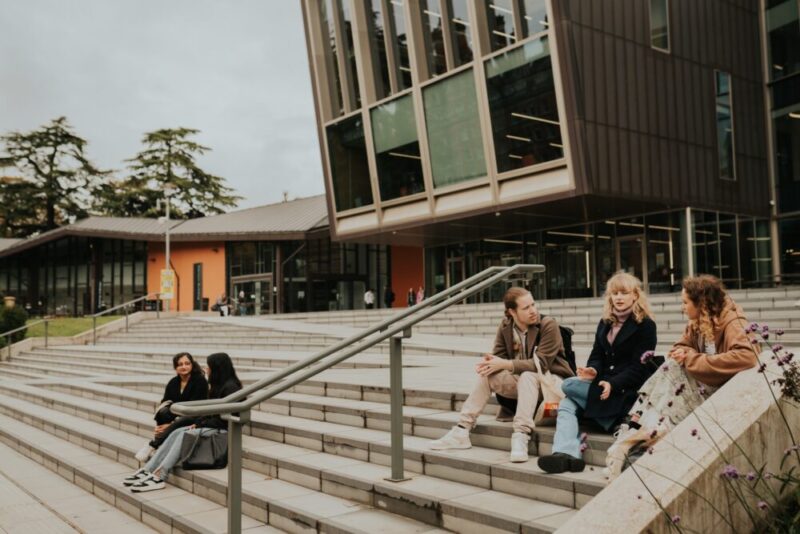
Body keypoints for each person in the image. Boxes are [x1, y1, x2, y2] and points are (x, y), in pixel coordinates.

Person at [603, 274, 758, 479]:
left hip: (722, 390)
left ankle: (635, 432)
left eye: (685, 302)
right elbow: (681, 345)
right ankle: (639, 432)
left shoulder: (732, 321)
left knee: (673, 370)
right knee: (671, 368)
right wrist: (682, 352)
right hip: (702, 384)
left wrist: (691, 359)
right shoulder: (696, 321)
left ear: (701, 302)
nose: (682, 307)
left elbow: (747, 356)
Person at [429, 287, 575, 462]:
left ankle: (521, 435)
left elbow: (542, 364)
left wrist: (504, 364)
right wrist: (490, 364)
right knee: (487, 375)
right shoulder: (506, 327)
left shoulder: (547, 324)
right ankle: (462, 430)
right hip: (525, 384)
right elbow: (499, 356)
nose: (533, 311)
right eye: (526, 308)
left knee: (528, 375)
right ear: (512, 312)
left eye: (533, 305)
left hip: (552, 384)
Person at [537, 273, 658, 474]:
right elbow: (597, 355)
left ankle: (611, 420)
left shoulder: (646, 325)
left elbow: (640, 368)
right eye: (614, 293)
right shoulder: (605, 323)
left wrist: (613, 384)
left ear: (635, 296)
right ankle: (566, 454)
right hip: (602, 387)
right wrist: (592, 370)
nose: (618, 297)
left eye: (624, 293)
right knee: (567, 403)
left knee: (568, 386)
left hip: (624, 392)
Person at [124, 352, 243, 492]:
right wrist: (199, 423)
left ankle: (160, 475)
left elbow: (223, 419)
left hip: (224, 429)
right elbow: (209, 412)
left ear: (217, 368)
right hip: (211, 424)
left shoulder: (231, 388)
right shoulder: (218, 385)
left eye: (209, 366)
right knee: (176, 432)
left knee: (183, 434)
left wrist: (199, 425)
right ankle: (148, 469)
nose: (207, 368)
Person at [134, 352, 210, 462]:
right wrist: (166, 422)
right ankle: (162, 442)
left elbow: (195, 406)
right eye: (180, 364)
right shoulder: (173, 382)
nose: (184, 367)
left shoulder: (199, 380)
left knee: (182, 419)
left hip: (195, 415)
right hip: (178, 414)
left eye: (187, 363)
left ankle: (153, 445)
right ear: (176, 367)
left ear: (192, 365)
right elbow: (165, 401)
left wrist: (170, 424)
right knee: (162, 412)